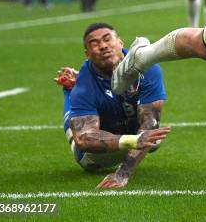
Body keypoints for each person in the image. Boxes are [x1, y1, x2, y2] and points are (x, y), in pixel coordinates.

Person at [54, 23, 171, 189]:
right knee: (78, 139)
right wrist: (134, 140)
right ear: (87, 54)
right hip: (96, 156)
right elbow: (83, 137)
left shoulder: (145, 66)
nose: (103, 46)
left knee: (153, 136)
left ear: (121, 43)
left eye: (107, 39)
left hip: (127, 130)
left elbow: (150, 123)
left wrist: (124, 172)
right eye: (94, 43)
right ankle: (69, 90)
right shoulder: (85, 85)